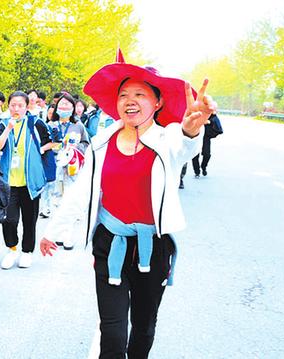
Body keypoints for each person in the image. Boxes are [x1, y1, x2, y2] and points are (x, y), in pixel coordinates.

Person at [39, 61, 216, 358]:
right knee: (113, 331)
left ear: (158, 102)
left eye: (140, 94)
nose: (130, 101)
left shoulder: (167, 138)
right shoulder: (101, 142)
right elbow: (81, 192)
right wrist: (53, 232)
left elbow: (185, 146)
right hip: (110, 244)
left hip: (154, 247)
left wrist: (190, 129)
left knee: (144, 327)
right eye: (123, 95)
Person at [0, 91, 53, 269]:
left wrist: (39, 151)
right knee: (9, 219)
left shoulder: (36, 123)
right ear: (8, 106)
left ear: (27, 107)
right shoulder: (3, 125)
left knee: (29, 219)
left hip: (30, 182)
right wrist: (9, 129)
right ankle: (12, 249)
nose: (16, 108)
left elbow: (50, 142)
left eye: (20, 105)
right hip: (8, 182)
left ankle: (27, 252)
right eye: (13, 105)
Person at [192, 112, 222, 177]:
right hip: (196, 136)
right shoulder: (195, 111)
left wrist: (209, 121)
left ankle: (203, 167)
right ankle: (197, 171)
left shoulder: (209, 112)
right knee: (194, 154)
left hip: (206, 137)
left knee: (207, 154)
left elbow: (215, 120)